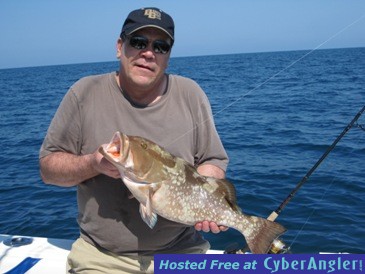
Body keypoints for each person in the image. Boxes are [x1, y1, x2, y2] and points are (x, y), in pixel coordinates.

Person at [39, 7, 229, 273]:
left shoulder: (191, 94)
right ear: (120, 46)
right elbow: (48, 170)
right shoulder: (84, 93)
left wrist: (205, 202)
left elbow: (212, 160)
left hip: (182, 251)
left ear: (168, 56)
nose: (148, 53)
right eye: (138, 42)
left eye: (160, 46)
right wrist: (93, 163)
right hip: (103, 257)